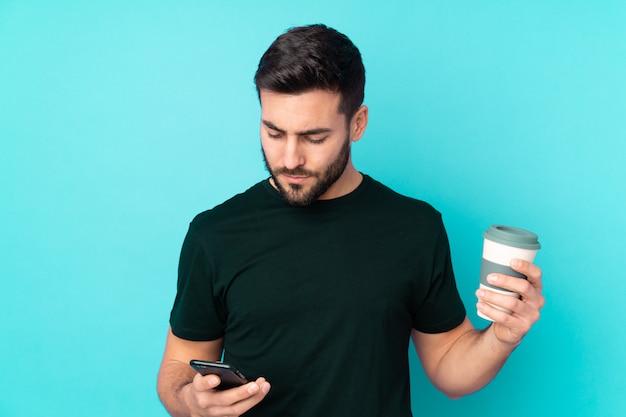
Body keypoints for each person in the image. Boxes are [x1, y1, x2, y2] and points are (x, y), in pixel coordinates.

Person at [157, 24, 545, 417]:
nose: (290, 159)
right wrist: (190, 399)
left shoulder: (415, 228)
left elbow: (449, 368)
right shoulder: (214, 234)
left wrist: (503, 336)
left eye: (314, 138)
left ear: (357, 123)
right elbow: (177, 366)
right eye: (274, 132)